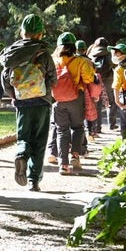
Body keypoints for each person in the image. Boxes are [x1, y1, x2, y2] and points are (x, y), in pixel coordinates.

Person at [0, 14, 56, 191]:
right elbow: (53, 78)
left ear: (22, 32)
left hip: (22, 103)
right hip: (42, 102)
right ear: (40, 34)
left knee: (24, 137)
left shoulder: (12, 53)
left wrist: (14, 96)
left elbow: (5, 78)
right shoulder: (43, 53)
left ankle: (21, 154)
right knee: (39, 140)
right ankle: (33, 180)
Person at [51, 32, 96, 175]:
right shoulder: (81, 61)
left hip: (58, 99)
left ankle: (63, 164)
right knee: (77, 128)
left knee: (61, 130)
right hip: (76, 97)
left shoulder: (54, 61)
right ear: (73, 46)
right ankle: (75, 156)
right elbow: (88, 79)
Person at [87, 37, 117, 131]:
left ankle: (97, 127)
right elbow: (114, 64)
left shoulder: (91, 52)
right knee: (111, 103)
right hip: (108, 79)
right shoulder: (109, 53)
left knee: (97, 103)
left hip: (95, 79)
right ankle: (112, 124)